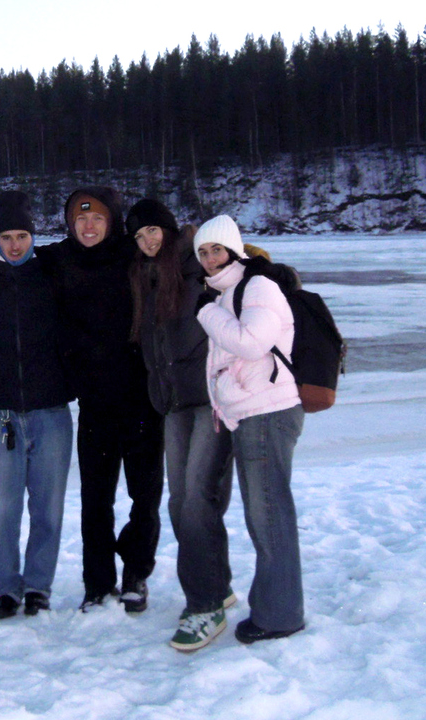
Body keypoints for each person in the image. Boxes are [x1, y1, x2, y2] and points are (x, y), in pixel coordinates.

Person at [35, 187, 164, 612]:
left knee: (144, 496)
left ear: (112, 223)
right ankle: (98, 583)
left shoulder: (135, 256)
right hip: (94, 401)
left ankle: (136, 573)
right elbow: (13, 266)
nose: (88, 226)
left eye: (98, 219)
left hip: (142, 397)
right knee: (96, 499)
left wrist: (253, 261)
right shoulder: (58, 260)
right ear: (70, 224)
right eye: (80, 219)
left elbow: (182, 255)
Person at [126, 199, 237, 650]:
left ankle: (205, 605)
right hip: (173, 402)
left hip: (210, 400)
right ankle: (218, 583)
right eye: (138, 236)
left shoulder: (199, 268)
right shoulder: (146, 277)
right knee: (180, 503)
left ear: (168, 230)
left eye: (152, 230)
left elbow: (245, 278)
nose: (147, 240)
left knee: (197, 501)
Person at [193, 214, 306, 645]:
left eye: (216, 249)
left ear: (234, 249)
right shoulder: (226, 293)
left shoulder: (255, 288)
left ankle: (279, 616)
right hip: (252, 414)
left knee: (269, 515)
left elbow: (251, 344)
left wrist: (204, 313)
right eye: (202, 252)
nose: (209, 258)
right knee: (267, 515)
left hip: (267, 415)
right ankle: (277, 606)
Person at [0, 191, 75, 620]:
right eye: (7, 236)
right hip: (0, 413)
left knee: (47, 509)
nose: (15, 244)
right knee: (1, 511)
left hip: (51, 410)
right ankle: (5, 589)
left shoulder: (51, 273)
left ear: (33, 236)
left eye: (23, 235)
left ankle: (37, 586)